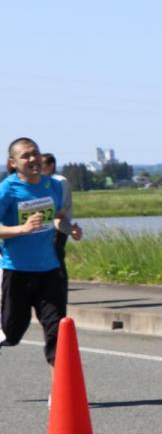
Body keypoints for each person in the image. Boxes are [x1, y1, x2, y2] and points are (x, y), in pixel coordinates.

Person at [0, 138, 71, 371]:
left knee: (57, 332)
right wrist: (22, 229)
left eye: (36, 153)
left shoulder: (53, 185)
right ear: (13, 162)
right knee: (11, 333)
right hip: (17, 270)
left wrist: (70, 228)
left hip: (49, 269)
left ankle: (60, 387)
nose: (33, 159)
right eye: (25, 156)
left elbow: (58, 215)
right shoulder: (7, 189)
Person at [38, 153, 83, 279]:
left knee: (56, 256)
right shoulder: (43, 181)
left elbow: (59, 207)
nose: (39, 168)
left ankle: (61, 284)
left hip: (59, 225)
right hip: (47, 225)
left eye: (42, 165)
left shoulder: (59, 181)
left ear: (51, 165)